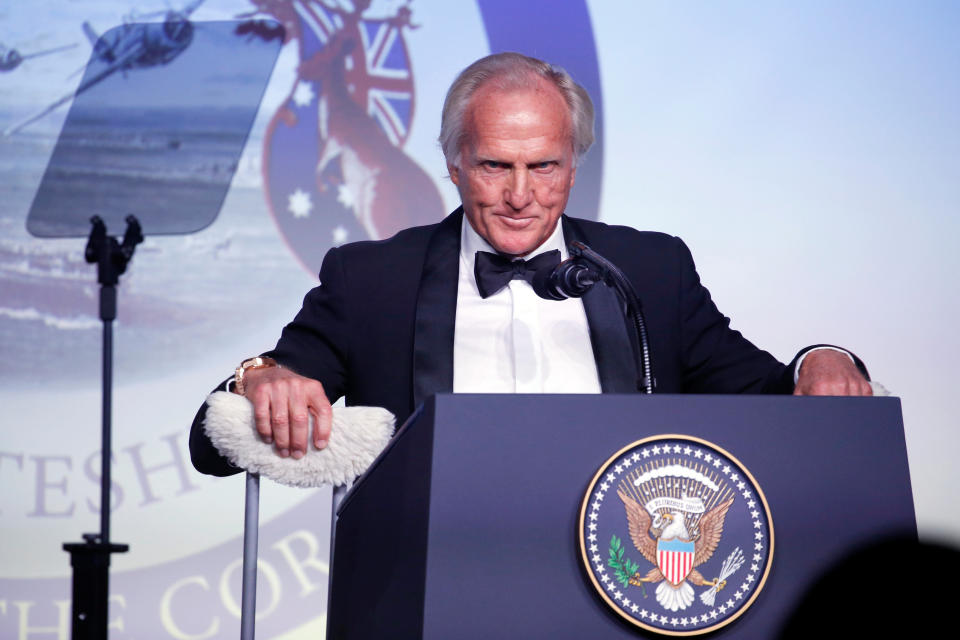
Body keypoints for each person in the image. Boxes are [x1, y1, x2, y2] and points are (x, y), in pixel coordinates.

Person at [189, 52, 871, 477]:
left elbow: (772, 395)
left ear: (573, 167)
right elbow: (209, 445)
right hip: (430, 589)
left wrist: (823, 358)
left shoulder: (651, 271)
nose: (520, 196)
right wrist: (261, 378)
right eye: (495, 166)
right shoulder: (371, 281)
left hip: (617, 588)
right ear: (455, 164)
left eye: (543, 166)